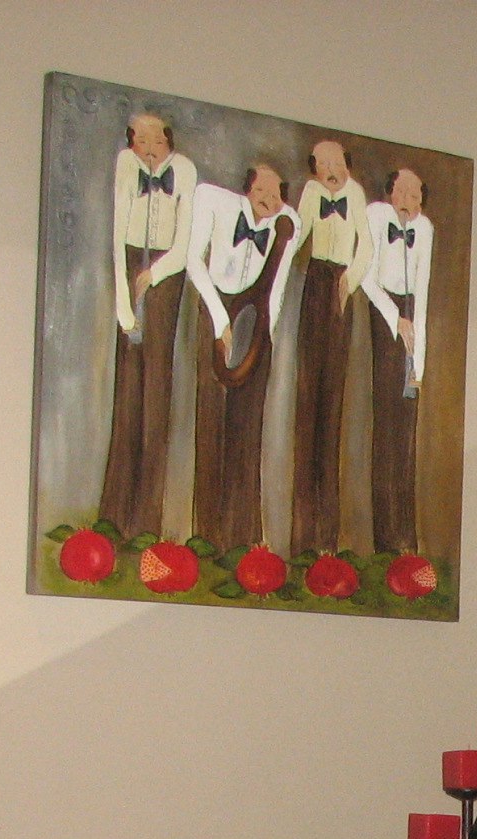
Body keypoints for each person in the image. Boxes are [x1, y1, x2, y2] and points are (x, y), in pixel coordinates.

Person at [185, 161, 302, 550]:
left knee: (247, 428)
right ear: (245, 190)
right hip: (215, 303)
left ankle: (243, 538)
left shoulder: (288, 225)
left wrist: (264, 335)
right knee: (211, 422)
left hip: (257, 312)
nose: (269, 199)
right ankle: (207, 537)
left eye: (276, 193)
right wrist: (220, 322)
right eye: (260, 191)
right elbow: (193, 262)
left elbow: (278, 286)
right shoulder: (211, 200)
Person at [99, 112, 198, 541]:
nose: (149, 147)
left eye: (156, 139)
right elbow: (116, 236)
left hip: (166, 274)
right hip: (130, 268)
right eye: (140, 139)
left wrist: (153, 275)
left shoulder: (185, 170)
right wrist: (124, 305)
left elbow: (185, 243)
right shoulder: (126, 166)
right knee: (128, 396)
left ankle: (145, 524)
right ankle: (113, 518)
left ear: (169, 141)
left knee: (156, 395)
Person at [287, 139, 373, 554]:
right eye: (322, 164)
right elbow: (296, 237)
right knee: (307, 403)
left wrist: (349, 281)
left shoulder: (355, 194)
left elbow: (367, 245)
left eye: (336, 162)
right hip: (314, 284)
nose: (331, 170)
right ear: (315, 169)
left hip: (340, 288)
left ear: (347, 165)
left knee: (331, 404)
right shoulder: (310, 193)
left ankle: (328, 539)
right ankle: (303, 539)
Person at [362, 168, 432, 554]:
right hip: (382, 313)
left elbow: (422, 295)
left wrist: (418, 365)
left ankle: (407, 543)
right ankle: (385, 542)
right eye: (403, 192)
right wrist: (395, 319)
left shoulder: (426, 229)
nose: (409, 201)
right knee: (385, 426)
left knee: (405, 432)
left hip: (410, 319)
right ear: (390, 193)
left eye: (416, 194)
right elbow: (366, 278)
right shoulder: (375, 215)